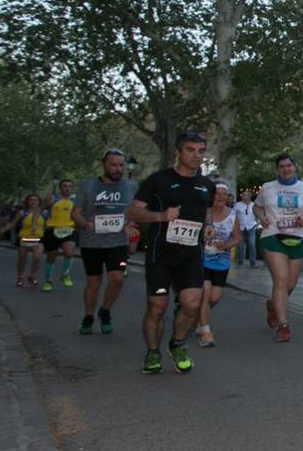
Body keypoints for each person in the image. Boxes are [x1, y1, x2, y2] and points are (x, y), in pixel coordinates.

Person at [127, 131, 216, 374]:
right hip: (161, 255)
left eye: (200, 151)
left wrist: (208, 227)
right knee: (157, 306)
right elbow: (133, 212)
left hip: (190, 255)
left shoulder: (207, 185)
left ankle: (177, 344)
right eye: (190, 150)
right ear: (178, 152)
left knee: (192, 303)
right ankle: (153, 351)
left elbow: (206, 213)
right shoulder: (158, 180)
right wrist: (161, 216)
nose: (196, 155)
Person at [254, 154, 303, 342]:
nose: (286, 169)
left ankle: (272, 305)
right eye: (282, 166)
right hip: (273, 236)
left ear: (295, 167)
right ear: (277, 169)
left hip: (298, 237)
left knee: (290, 284)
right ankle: (283, 325)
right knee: (281, 279)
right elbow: (257, 207)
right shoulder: (267, 187)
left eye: (289, 166)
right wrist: (261, 218)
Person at [71, 149, 137, 335]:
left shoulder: (131, 186)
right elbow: (75, 212)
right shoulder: (89, 186)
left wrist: (133, 229)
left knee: (117, 278)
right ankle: (88, 316)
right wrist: (85, 224)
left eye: (121, 165)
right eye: (113, 165)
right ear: (104, 165)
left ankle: (105, 310)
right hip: (91, 242)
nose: (118, 169)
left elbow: (135, 212)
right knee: (94, 282)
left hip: (118, 241)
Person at [193, 182, 241, 348]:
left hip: (221, 262)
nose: (220, 197)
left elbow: (237, 238)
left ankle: (199, 319)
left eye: (224, 194)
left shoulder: (233, 216)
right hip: (203, 259)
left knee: (214, 298)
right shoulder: (204, 213)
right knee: (205, 293)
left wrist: (226, 245)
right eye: (217, 193)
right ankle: (206, 332)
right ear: (211, 195)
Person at [1, 194, 47, 287]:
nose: (33, 202)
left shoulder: (43, 213)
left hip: (38, 238)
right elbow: (13, 223)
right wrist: (2, 230)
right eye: (31, 200)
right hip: (24, 238)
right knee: (22, 259)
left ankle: (32, 275)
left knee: (37, 257)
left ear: (39, 202)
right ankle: (20, 277)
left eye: (36, 200)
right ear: (27, 202)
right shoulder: (22, 213)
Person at [40, 179, 78, 291]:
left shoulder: (76, 201)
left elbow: (80, 214)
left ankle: (65, 274)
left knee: (69, 253)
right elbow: (39, 210)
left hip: (69, 230)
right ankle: (48, 280)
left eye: (70, 186)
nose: (67, 188)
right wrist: (35, 223)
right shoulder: (53, 199)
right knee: (51, 257)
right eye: (65, 186)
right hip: (52, 230)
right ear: (60, 188)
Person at [233, 189, 259, 267]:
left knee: (252, 245)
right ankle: (240, 262)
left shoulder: (254, 205)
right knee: (240, 246)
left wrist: (257, 223)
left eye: (245, 195)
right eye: (243, 195)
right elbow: (232, 215)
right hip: (240, 228)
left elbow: (258, 215)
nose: (243, 196)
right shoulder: (237, 205)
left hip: (251, 227)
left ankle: (253, 263)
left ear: (249, 196)